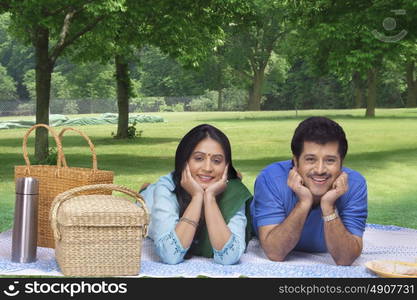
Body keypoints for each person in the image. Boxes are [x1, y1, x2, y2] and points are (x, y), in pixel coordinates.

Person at [250, 116, 367, 266]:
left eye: (330, 160)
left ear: (341, 163)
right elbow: (275, 252)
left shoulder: (355, 185)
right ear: (295, 161)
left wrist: (328, 207)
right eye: (310, 159)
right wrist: (304, 202)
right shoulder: (270, 178)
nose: (320, 170)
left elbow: (345, 259)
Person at [140, 124, 253, 265]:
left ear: (226, 166)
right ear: (184, 160)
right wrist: (197, 197)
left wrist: (209, 197)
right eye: (199, 158)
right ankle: (146, 188)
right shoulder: (167, 187)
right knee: (147, 195)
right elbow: (170, 255)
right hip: (147, 202)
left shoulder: (235, 192)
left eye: (217, 161)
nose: (207, 168)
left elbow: (230, 257)